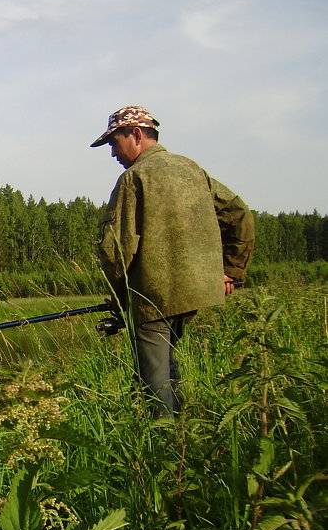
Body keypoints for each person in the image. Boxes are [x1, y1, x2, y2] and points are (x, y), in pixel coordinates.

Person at [90, 106, 255, 418]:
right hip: (190, 295)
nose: (112, 152)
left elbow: (116, 248)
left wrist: (120, 295)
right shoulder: (191, 168)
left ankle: (164, 449)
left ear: (136, 134)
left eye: (114, 142)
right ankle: (182, 440)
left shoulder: (134, 177)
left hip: (151, 297)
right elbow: (239, 215)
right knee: (168, 367)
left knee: (154, 384)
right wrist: (229, 272)